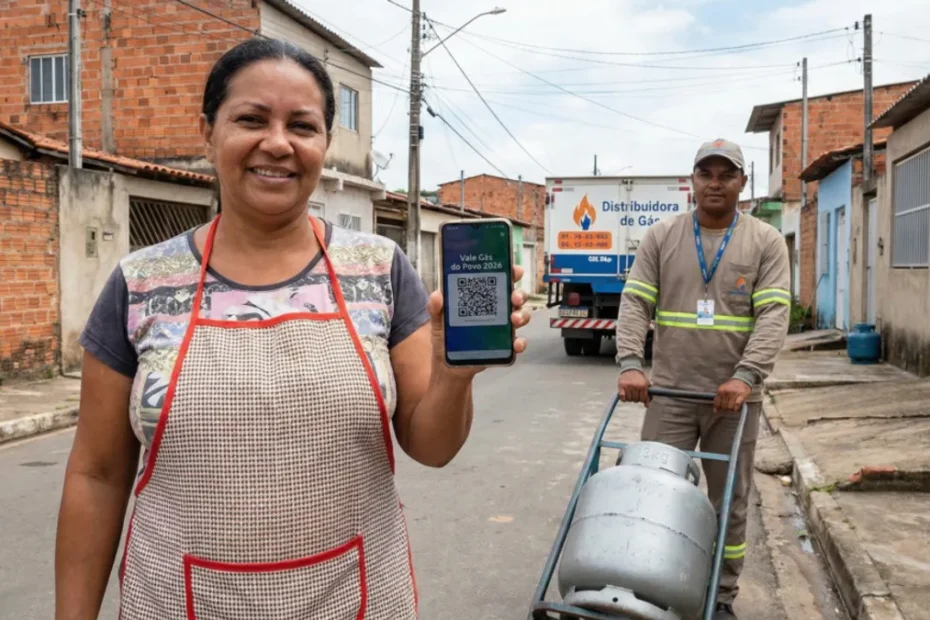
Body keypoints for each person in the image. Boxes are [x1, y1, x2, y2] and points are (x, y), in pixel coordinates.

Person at [54, 37, 531, 620]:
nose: (277, 144)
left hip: (356, 599)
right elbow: (97, 475)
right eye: (251, 119)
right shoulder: (141, 282)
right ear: (207, 132)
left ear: (325, 145)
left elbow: (430, 447)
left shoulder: (380, 270)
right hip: (175, 600)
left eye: (302, 126)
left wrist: (456, 374)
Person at [614, 138, 790, 619]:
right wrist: (631, 361)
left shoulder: (764, 241)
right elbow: (635, 303)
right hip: (669, 394)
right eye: (705, 173)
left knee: (728, 501)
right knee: (650, 490)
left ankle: (721, 595)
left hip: (732, 401)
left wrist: (747, 376)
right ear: (691, 181)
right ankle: (644, 586)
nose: (715, 182)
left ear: (742, 183)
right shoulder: (662, 236)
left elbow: (774, 314)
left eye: (726, 174)